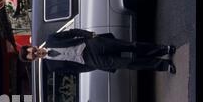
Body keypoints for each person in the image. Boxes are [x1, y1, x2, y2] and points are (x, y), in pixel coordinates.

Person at [19, 29, 177, 74]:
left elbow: (72, 33)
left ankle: (163, 49)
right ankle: (163, 65)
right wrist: (92, 66)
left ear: (32, 46)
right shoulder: (52, 67)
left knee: (130, 46)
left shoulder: (51, 38)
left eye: (32, 50)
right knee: (128, 63)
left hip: (92, 45)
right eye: (32, 56)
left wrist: (89, 35)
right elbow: (75, 70)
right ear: (33, 60)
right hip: (90, 61)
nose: (35, 53)